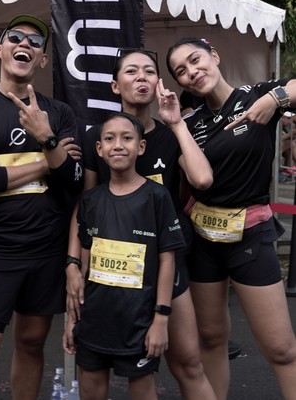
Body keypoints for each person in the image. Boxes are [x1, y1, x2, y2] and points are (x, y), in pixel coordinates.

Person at [65, 48, 216, 400]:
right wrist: (72, 263)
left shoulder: (171, 134)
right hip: (110, 272)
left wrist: (176, 124)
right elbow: (84, 205)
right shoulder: (98, 137)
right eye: (131, 71)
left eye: (149, 71)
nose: (141, 77)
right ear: (115, 85)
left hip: (165, 264)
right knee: (97, 367)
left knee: (188, 363)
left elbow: (202, 179)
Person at [0, 15, 84, 399]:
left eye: (35, 42)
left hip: (45, 250)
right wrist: (48, 159)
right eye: (15, 37)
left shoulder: (59, 113)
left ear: (42, 59)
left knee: (31, 344)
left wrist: (46, 135)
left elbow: (74, 180)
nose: (25, 44)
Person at [166, 36, 296, 400]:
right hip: (203, 240)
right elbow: (196, 179)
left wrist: (275, 99)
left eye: (195, 60)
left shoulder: (256, 95)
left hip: (251, 235)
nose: (192, 72)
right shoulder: (190, 123)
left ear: (214, 56)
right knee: (211, 338)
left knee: (281, 348)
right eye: (181, 71)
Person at [63, 112, 186, 400]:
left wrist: (161, 319)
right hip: (94, 321)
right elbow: (85, 265)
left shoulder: (157, 196)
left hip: (139, 322)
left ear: (140, 147)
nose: (118, 145)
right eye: (109, 139)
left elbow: (167, 259)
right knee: (90, 390)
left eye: (127, 138)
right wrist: (72, 321)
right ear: (99, 149)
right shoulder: (91, 201)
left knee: (142, 390)